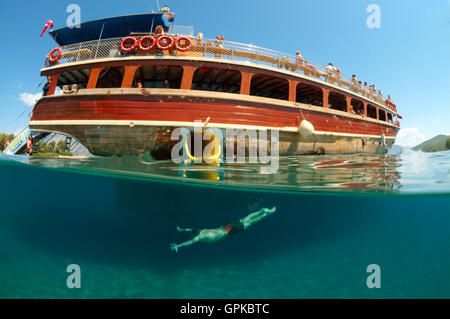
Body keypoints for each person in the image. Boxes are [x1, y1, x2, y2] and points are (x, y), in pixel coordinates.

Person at [170, 206, 277, 253]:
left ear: (195, 235)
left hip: (229, 231)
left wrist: (179, 246)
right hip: (225, 226)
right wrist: (180, 229)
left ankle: (265, 214)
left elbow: (190, 242)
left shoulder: (199, 236)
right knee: (245, 218)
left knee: (250, 223)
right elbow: (189, 229)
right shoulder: (200, 230)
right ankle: (262, 210)